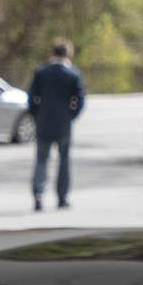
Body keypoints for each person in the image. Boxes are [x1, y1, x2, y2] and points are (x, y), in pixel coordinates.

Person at [28, 40, 85, 211]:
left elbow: (31, 98)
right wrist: (71, 116)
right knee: (64, 161)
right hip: (63, 125)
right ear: (68, 54)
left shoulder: (41, 72)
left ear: (52, 53)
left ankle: (38, 194)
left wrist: (37, 116)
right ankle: (62, 197)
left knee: (41, 160)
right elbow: (80, 100)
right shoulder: (73, 74)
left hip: (43, 123)